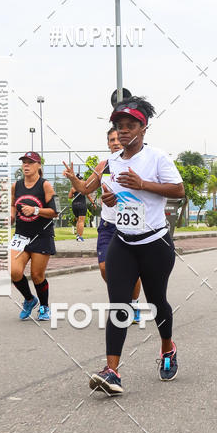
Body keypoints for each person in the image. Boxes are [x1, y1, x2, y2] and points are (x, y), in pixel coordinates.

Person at [67, 96, 184, 395]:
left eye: (130, 125)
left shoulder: (157, 157)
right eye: (119, 126)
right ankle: (112, 372)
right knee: (118, 303)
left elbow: (178, 191)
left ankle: (167, 350)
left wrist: (143, 184)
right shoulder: (111, 162)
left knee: (157, 302)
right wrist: (110, 200)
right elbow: (117, 199)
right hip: (123, 241)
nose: (123, 131)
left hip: (155, 243)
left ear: (143, 129)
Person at [64, 128, 143, 325]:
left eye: (117, 138)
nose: (115, 142)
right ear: (108, 144)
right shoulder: (103, 165)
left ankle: (133, 303)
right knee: (105, 268)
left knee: (133, 271)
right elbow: (84, 188)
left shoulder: (140, 162)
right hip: (109, 226)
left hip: (133, 225)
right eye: (111, 140)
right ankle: (122, 296)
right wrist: (73, 178)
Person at [10, 151, 57, 321]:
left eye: (30, 162)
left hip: (41, 235)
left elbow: (55, 212)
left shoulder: (45, 185)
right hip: (21, 236)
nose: (26, 165)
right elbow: (12, 204)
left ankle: (44, 307)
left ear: (39, 166)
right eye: (24, 162)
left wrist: (35, 210)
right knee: (14, 271)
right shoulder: (16, 185)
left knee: (37, 275)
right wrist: (11, 216)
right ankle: (30, 300)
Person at [68, 174, 95, 242]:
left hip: (74, 205)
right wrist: (93, 203)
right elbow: (88, 196)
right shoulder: (83, 188)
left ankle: (78, 235)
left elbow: (70, 197)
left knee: (78, 221)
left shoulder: (73, 188)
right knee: (81, 221)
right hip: (82, 205)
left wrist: (74, 193)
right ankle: (80, 236)